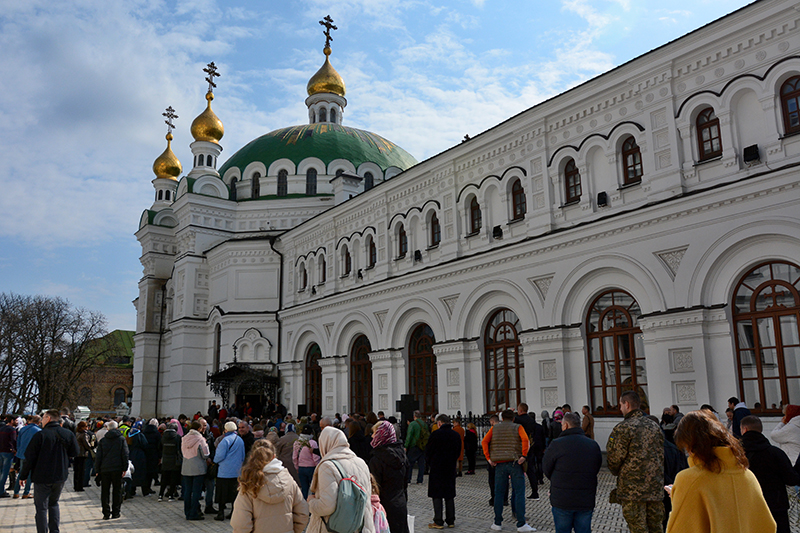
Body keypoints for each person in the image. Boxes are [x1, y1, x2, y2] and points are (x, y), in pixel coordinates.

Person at [665, 410, 776, 533]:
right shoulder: (747, 475)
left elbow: (681, 527)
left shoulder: (689, 479)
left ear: (691, 444)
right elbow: (767, 525)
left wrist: (680, 495)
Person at [606, 391, 664, 533]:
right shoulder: (654, 426)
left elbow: (614, 458)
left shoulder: (623, 428)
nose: (620, 408)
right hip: (655, 487)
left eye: (620, 405)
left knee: (638, 528)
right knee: (656, 527)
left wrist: (617, 472)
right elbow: (661, 455)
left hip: (632, 491)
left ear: (627, 404)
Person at [19, 409, 80, 533]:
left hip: (42, 476)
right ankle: (54, 531)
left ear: (48, 418)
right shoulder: (68, 434)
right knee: (54, 504)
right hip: (60, 475)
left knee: (41, 508)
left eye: (43, 418)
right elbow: (75, 452)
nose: (41, 421)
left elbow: (29, 458)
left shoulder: (40, 435)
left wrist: (23, 475)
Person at [307, 426, 375, 533]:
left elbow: (327, 506)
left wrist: (311, 502)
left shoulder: (328, 466)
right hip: (361, 526)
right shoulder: (361, 463)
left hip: (334, 528)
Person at [231, 439, 308, 533]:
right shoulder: (289, 480)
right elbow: (302, 513)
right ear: (274, 457)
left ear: (251, 457)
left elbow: (241, 523)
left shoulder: (249, 483)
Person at [542, 412, 602, 533]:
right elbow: (596, 467)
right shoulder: (592, 445)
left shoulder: (556, 444)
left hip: (562, 499)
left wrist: (556, 479)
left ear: (565, 426)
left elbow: (546, 468)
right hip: (585, 498)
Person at [740, 415, 800, 533]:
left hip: (747, 507)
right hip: (776, 507)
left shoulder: (736, 455)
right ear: (760, 430)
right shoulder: (775, 453)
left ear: (744, 430)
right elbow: (792, 479)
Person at [483, 409, 535, 532]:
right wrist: (524, 455)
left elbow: (484, 441)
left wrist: (489, 458)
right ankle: (521, 524)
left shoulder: (494, 428)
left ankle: (497, 523)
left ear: (501, 418)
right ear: (513, 418)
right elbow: (525, 440)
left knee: (499, 493)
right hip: (515, 462)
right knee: (519, 492)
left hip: (499, 463)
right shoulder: (518, 427)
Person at [369, 420, 410, 533]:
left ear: (380, 435)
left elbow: (375, 487)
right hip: (400, 502)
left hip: (384, 506)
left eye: (374, 433)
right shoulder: (402, 455)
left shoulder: (377, 459)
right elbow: (405, 481)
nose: (372, 436)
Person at [425, 413, 463, 529]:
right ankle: (451, 520)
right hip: (450, 468)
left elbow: (428, 451)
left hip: (437, 468)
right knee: (449, 495)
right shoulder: (455, 435)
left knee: (437, 495)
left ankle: (438, 520)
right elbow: (458, 450)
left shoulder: (435, 435)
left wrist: (431, 463)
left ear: (439, 423)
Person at [94, 420, 129, 520]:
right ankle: (116, 512)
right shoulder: (121, 439)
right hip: (117, 468)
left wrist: (97, 469)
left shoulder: (103, 440)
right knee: (117, 491)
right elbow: (125, 454)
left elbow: (98, 457)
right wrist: (125, 468)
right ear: (117, 428)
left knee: (105, 491)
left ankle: (106, 513)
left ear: (107, 429)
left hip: (105, 469)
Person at [214, 420, 246, 521]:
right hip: (236, 471)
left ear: (226, 429)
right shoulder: (240, 440)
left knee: (222, 493)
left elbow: (219, 456)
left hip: (224, 471)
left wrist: (215, 461)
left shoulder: (225, 440)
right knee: (234, 494)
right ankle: (233, 512)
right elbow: (243, 455)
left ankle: (221, 513)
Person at [181, 420, 210, 521]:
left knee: (187, 491)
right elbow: (205, 454)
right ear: (199, 429)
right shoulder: (200, 439)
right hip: (198, 468)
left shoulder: (184, 438)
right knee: (196, 492)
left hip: (186, 467)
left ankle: (187, 512)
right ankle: (194, 512)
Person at [514, 402, 541, 500]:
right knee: (531, 469)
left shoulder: (517, 419)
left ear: (520, 410)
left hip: (520, 446)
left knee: (517, 467)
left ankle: (517, 491)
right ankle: (535, 491)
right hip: (530, 445)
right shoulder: (531, 420)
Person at [13, 415, 41, 499]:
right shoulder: (39, 431)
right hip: (32, 455)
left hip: (22, 453)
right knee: (29, 474)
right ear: (39, 422)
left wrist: (19, 451)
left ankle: (16, 492)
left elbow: (18, 442)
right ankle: (26, 492)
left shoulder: (23, 429)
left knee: (21, 472)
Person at [292, 425, 320, 499]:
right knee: (314, 488)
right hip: (311, 468)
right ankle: (313, 504)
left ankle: (303, 505)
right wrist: (318, 467)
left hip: (301, 467)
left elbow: (294, 457)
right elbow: (315, 457)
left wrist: (297, 467)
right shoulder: (312, 443)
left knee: (304, 489)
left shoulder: (297, 443)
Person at [158, 421, 182, 501]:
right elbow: (179, 449)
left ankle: (160, 495)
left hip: (165, 459)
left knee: (164, 478)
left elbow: (160, 447)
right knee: (173, 479)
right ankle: (171, 495)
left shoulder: (163, 436)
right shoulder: (177, 437)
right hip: (174, 460)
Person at [404, 410, 428, 484]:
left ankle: (408, 479)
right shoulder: (424, 424)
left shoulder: (412, 424)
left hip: (414, 446)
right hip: (423, 446)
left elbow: (409, 436)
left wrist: (406, 446)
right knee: (421, 464)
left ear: (414, 416)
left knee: (410, 463)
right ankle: (420, 480)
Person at [0, 415, 17, 498]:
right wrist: (16, 450)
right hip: (8, 452)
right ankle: (1, 491)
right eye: (16, 420)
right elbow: (14, 441)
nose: (17, 422)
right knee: (5, 472)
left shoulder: (1, 428)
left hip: (0, 451)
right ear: (12, 421)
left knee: (0, 472)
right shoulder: (12, 430)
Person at [73, 421, 91, 492]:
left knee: (76, 471)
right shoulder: (84, 434)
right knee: (81, 471)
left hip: (77, 453)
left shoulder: (76, 433)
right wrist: (91, 446)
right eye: (86, 426)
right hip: (82, 454)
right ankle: (80, 486)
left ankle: (75, 485)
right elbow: (87, 445)